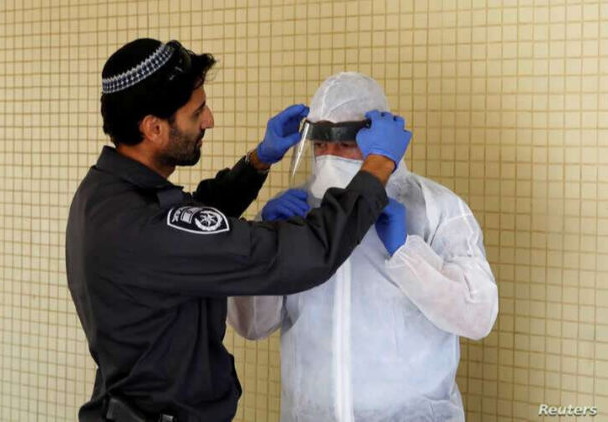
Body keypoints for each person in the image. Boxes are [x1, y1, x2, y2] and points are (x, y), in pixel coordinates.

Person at [65, 41, 412, 422]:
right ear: (154, 128)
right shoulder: (141, 226)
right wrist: (378, 166)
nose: (209, 120)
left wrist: (258, 160)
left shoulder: (107, 193)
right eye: (197, 112)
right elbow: (307, 253)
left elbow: (193, 216)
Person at [228, 72, 499, 422]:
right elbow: (252, 325)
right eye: (320, 145)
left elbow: (477, 316)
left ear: (379, 141)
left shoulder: (435, 209)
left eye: (344, 144)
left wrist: (408, 254)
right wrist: (263, 245)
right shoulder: (297, 212)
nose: (329, 156)